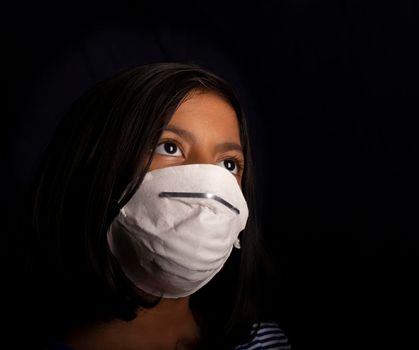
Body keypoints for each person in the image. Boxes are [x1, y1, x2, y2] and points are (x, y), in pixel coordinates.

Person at [23, 62, 290, 349]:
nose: (210, 183)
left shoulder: (262, 343)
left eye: (228, 164)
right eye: (170, 147)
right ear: (97, 166)